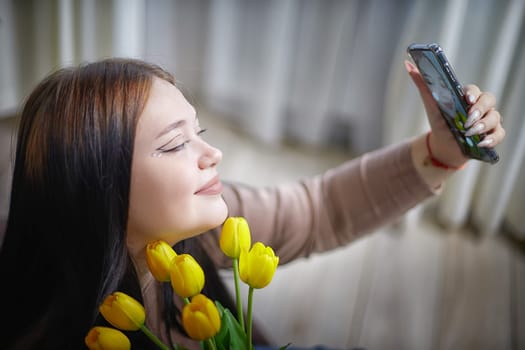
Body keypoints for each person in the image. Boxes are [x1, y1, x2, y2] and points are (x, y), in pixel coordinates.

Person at [0, 57, 504, 350]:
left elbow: (320, 207)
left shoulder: (202, 222)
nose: (212, 154)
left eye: (198, 132)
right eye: (176, 144)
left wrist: (440, 152)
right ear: (98, 183)